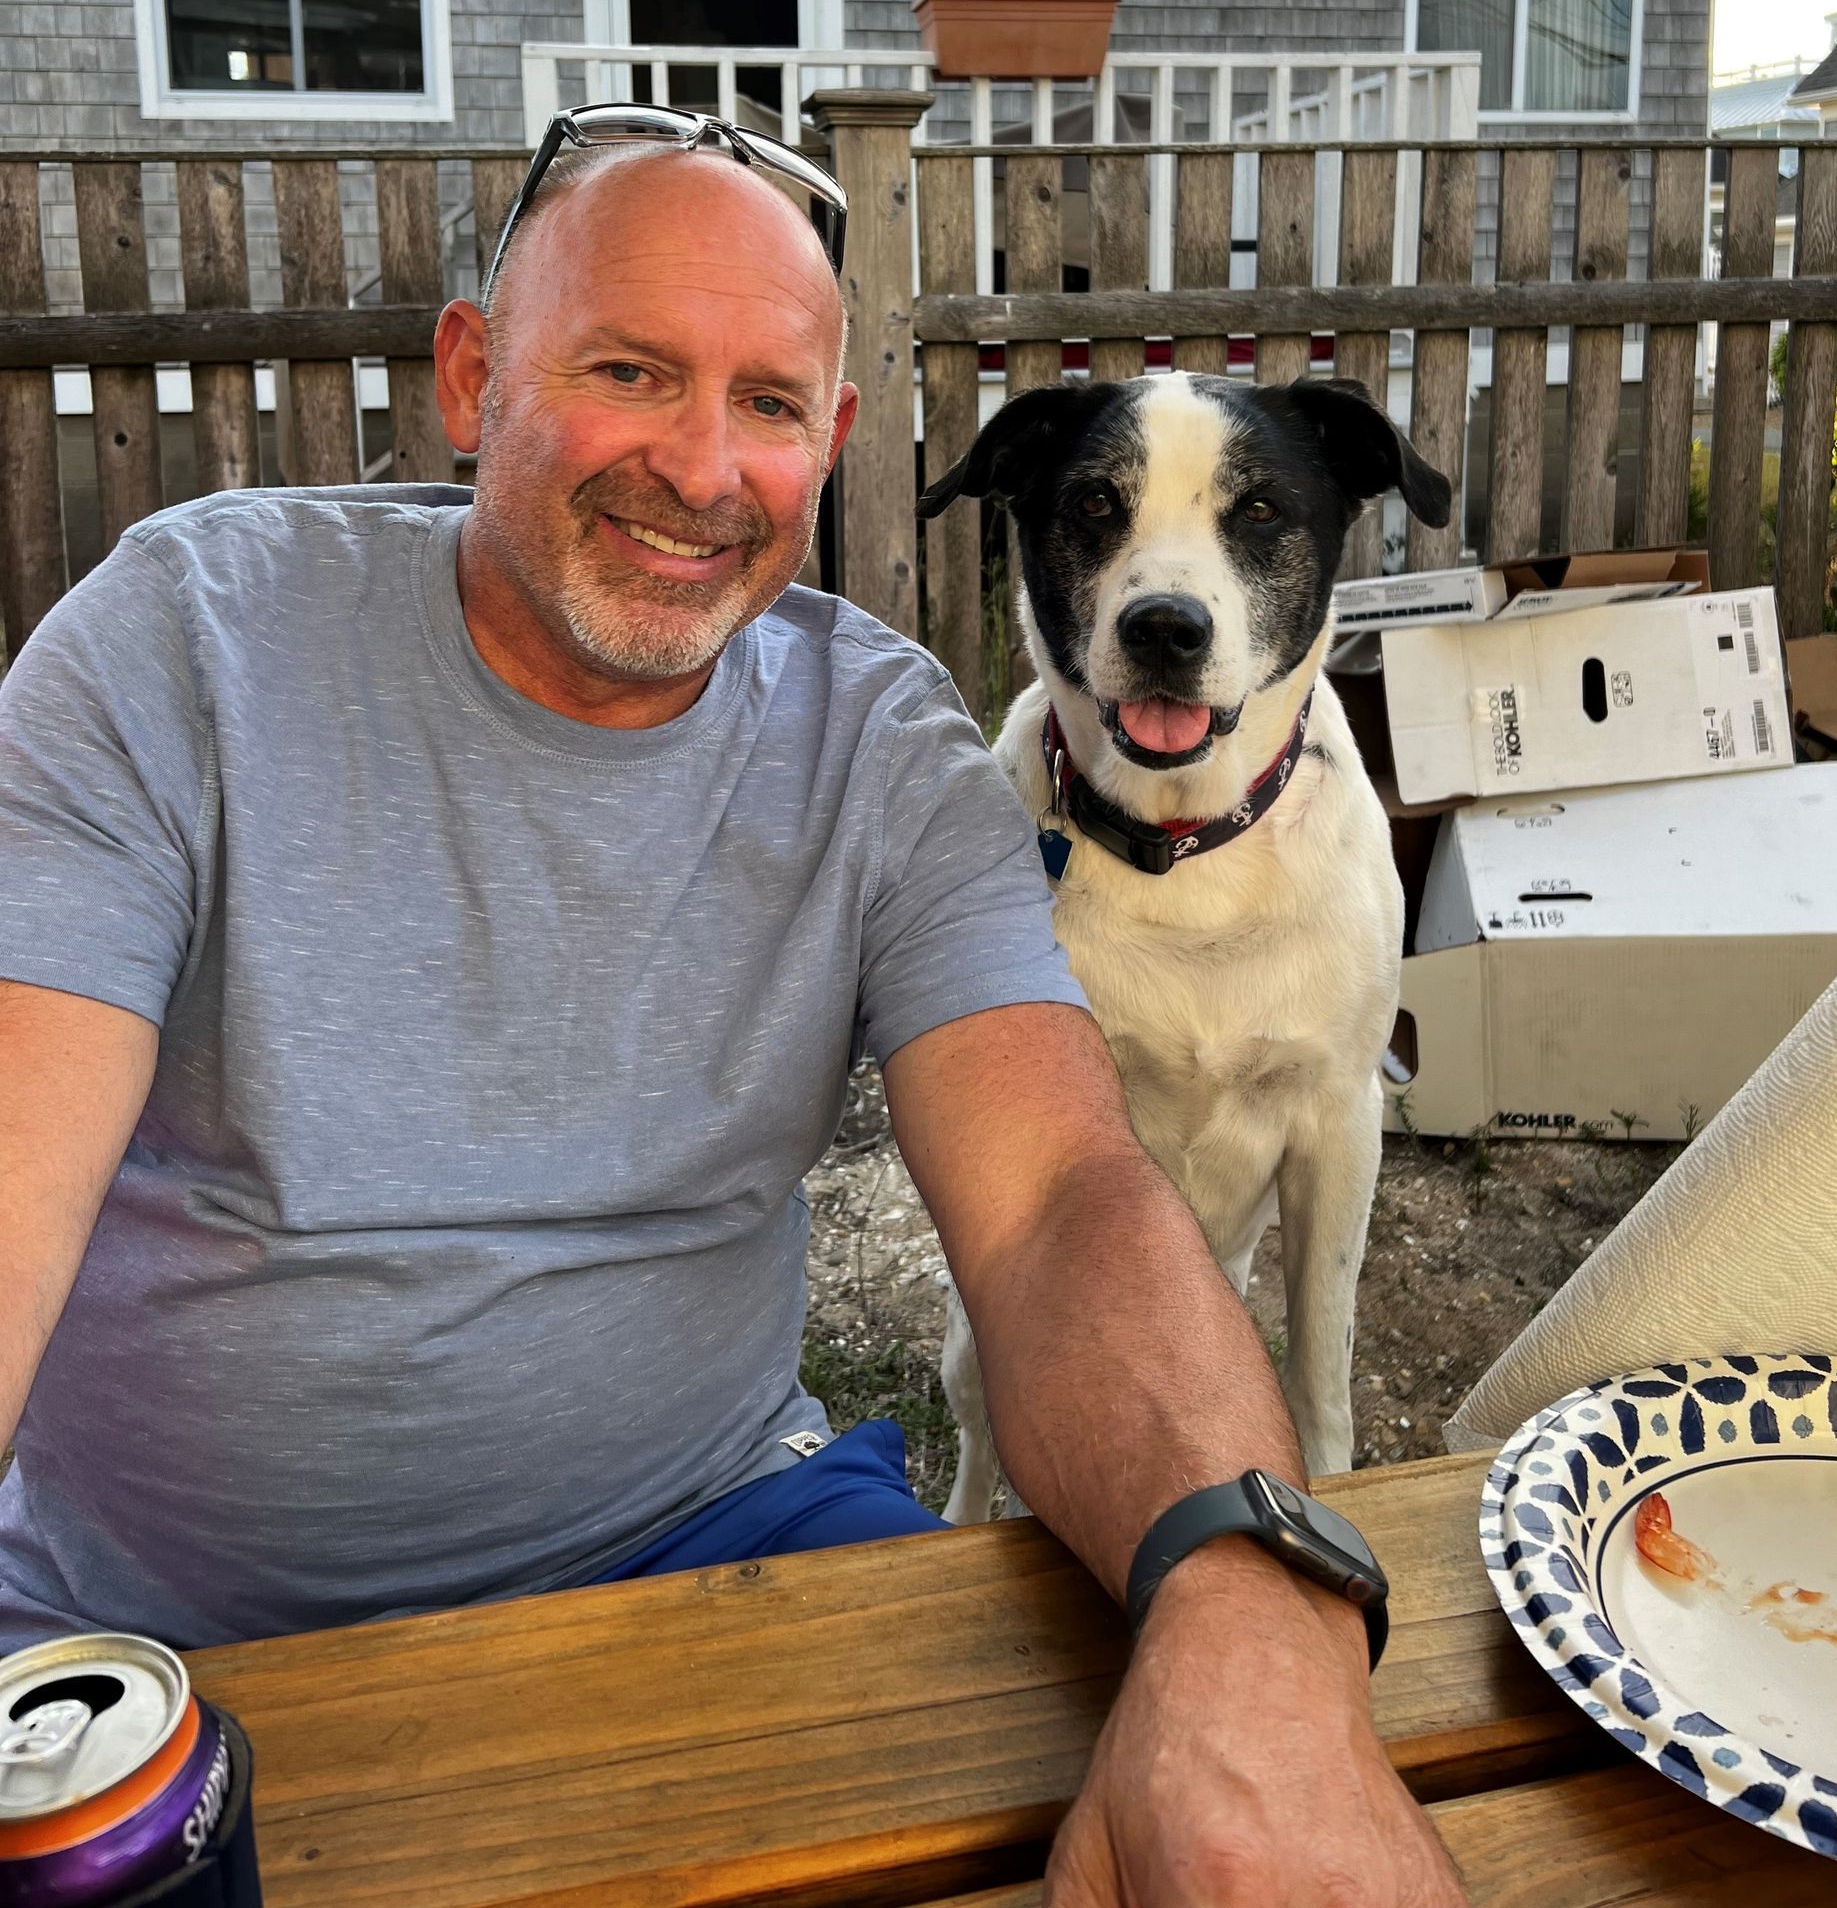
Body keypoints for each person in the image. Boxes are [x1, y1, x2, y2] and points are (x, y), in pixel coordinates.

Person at [0, 108, 1462, 1906]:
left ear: (832, 443)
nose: (702, 468)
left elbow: (1066, 1203)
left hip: (720, 1539)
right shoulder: (184, 646)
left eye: (768, 404)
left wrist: (1255, 1619)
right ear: (472, 376)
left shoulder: (882, 748)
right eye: (628, 370)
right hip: (146, 1646)